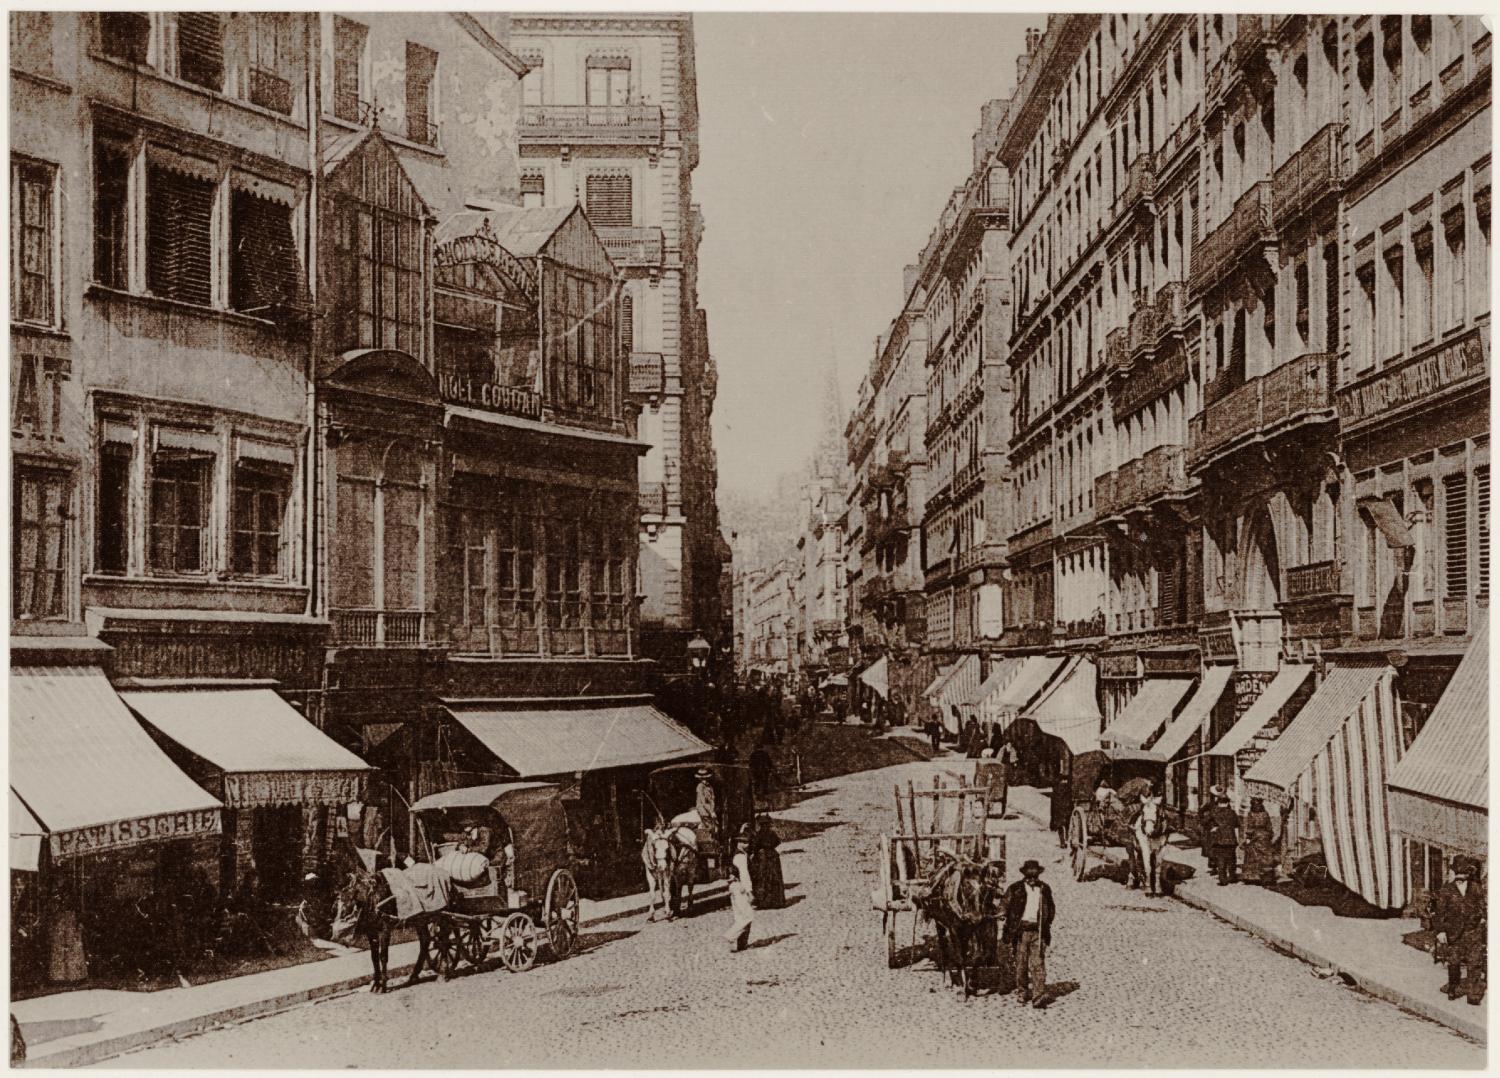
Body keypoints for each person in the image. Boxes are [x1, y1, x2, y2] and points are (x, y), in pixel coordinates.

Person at [1001, 859, 1056, 1008]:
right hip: (1021, 933)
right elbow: (1004, 905)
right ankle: (1022, 992)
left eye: (1035, 877)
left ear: (1038, 876)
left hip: (1038, 932)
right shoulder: (1015, 889)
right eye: (1029, 877)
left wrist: (1045, 924)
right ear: (1024, 876)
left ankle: (1038, 995)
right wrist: (1003, 914)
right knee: (1021, 965)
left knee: (1038, 964)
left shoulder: (1044, 889)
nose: (1032, 880)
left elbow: (1051, 909)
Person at [1434, 856, 1486, 1004]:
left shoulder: (1476, 888)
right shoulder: (1447, 890)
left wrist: (1482, 919)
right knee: (1454, 962)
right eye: (1459, 872)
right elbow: (1440, 913)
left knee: (1475, 963)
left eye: (1464, 873)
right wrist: (1441, 932)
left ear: (1468, 874)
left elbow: (1482, 906)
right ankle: (1453, 987)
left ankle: (1474, 996)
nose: (1461, 876)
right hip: (1454, 933)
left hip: (1473, 931)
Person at [1204, 786, 1241, 885]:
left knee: (1221, 859)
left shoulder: (1214, 812)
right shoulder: (1232, 813)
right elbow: (1237, 824)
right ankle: (1232, 877)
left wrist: (1214, 827)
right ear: (1227, 803)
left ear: (1219, 802)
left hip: (1219, 839)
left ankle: (1223, 879)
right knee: (1232, 859)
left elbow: (1205, 821)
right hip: (1231, 839)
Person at [724, 834, 755, 952]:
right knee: (748, 915)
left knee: (739, 916)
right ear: (740, 843)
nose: (748, 845)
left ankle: (738, 945)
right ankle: (730, 935)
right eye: (745, 842)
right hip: (740, 887)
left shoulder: (736, 854)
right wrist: (750, 892)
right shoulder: (741, 857)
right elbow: (744, 875)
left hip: (734, 886)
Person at [748, 816, 786, 909]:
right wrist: (770, 847)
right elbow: (778, 842)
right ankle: (777, 901)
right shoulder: (772, 833)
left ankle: (764, 902)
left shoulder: (759, 834)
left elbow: (755, 845)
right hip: (773, 856)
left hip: (763, 858)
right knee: (774, 878)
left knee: (762, 879)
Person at [1241, 798, 1278, 885]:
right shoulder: (1265, 814)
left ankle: (1253, 877)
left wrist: (1248, 838)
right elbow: (1269, 827)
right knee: (1265, 858)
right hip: (1265, 838)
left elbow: (1250, 828)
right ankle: (1267, 877)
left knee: (1252, 856)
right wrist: (1269, 836)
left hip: (1255, 837)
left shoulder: (1251, 814)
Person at [695, 768, 720, 848]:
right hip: (703, 811)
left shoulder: (709, 787)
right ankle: (708, 846)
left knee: (715, 827)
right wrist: (711, 812)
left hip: (710, 809)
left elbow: (712, 800)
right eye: (702, 779)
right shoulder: (700, 787)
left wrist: (713, 809)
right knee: (708, 827)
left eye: (705, 778)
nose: (704, 780)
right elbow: (703, 802)